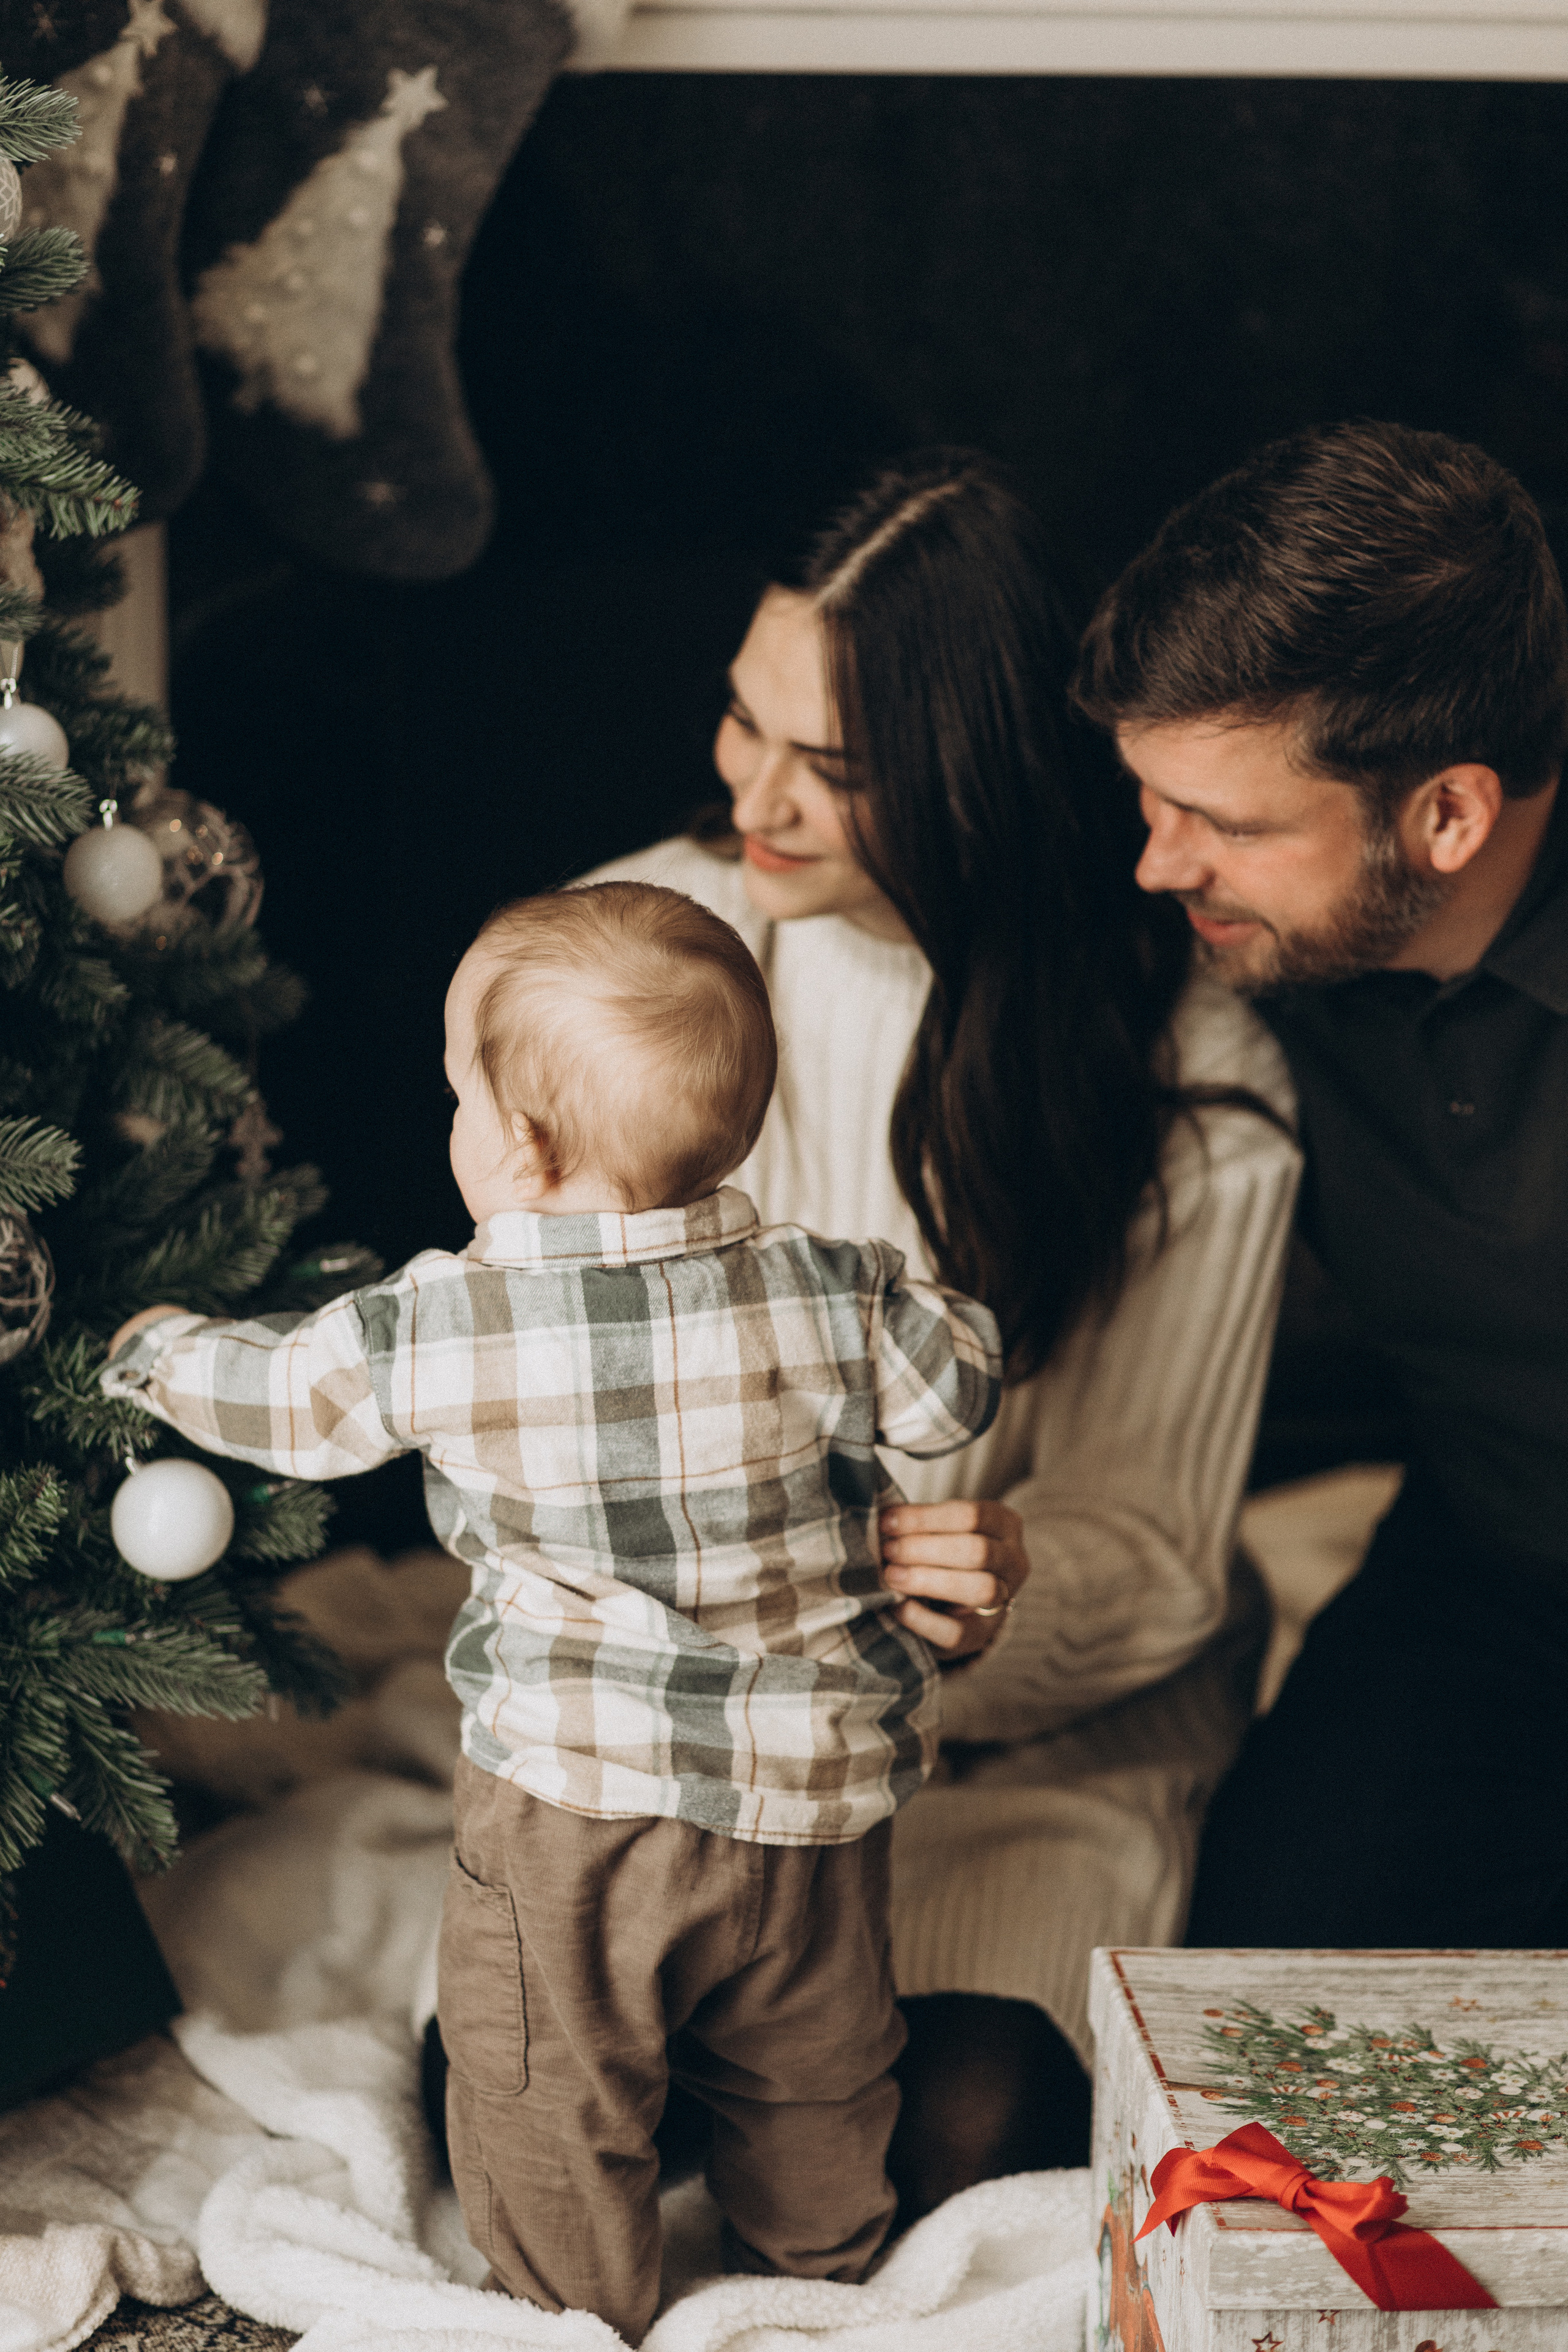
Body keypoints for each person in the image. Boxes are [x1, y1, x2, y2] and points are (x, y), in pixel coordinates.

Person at [99, 879, 1005, 2346]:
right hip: (813, 1796)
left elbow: (287, 1402)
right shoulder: (826, 1289)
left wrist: (149, 1350)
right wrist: (921, 1307)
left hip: (578, 1806)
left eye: (458, 1091)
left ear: (515, 1143)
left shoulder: (452, 1324)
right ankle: (819, 2275)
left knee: (545, 2076)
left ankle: (571, 2308)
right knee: (815, 2063)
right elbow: (951, 1379)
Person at [588, 449, 1302, 2213]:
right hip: (717, 1744)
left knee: (948, 2139)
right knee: (568, 2101)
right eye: (747, 724)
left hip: (1025, 1752)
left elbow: (1157, 1550)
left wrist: (992, 1582)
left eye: (833, 767)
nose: (753, 789)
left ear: (978, 780)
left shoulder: (1189, 1080)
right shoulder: (648, 965)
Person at [1072, 417, 1568, 1948]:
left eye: (1218, 825)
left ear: (1446, 815)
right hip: (1485, 1572)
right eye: (1148, 803)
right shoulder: (1264, 937)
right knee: (1263, 1987)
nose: (1158, 864)